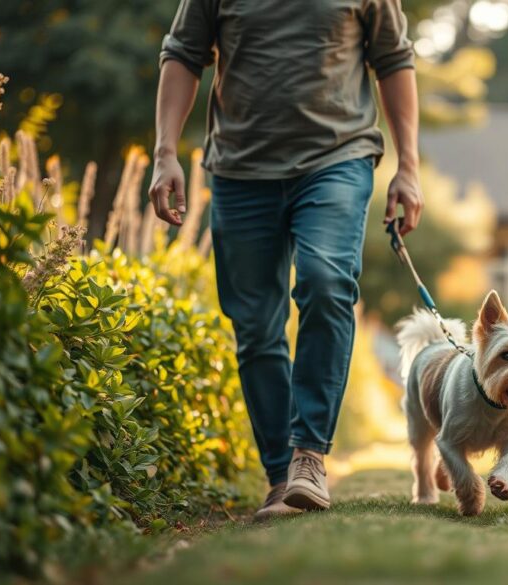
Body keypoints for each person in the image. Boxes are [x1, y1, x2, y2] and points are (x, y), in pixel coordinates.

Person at [149, 0, 423, 521]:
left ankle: (309, 456)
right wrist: (165, 152)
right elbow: (182, 53)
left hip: (337, 160)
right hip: (238, 171)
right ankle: (280, 478)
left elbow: (393, 59)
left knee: (325, 281)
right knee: (255, 326)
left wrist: (408, 167)